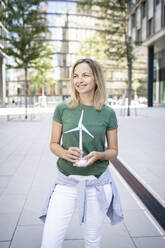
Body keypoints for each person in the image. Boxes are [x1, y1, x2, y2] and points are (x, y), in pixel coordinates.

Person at [39, 58, 123, 248]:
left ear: (96, 79)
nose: (79, 80)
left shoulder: (108, 112)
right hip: (66, 183)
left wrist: (99, 155)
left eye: (85, 75)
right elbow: (53, 144)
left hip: (97, 184)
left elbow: (113, 151)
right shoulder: (62, 109)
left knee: (93, 240)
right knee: (50, 241)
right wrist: (64, 153)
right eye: (75, 76)